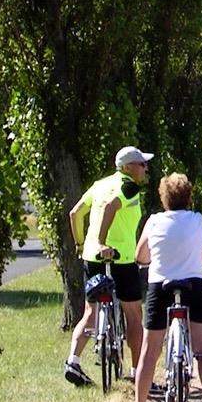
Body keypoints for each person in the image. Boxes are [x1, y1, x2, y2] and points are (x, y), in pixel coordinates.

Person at [129, 170, 202, 402]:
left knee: (149, 351)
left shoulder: (154, 221)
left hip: (159, 287)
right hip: (193, 286)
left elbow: (140, 255)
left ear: (163, 198)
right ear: (189, 197)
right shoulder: (198, 220)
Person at [63, 146, 151, 387]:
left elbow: (75, 213)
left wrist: (81, 244)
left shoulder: (99, 185)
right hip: (121, 259)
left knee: (90, 312)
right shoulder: (129, 187)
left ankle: (73, 361)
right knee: (133, 315)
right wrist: (103, 241)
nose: (145, 169)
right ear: (128, 167)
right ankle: (137, 372)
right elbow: (112, 206)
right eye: (142, 164)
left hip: (92, 257)